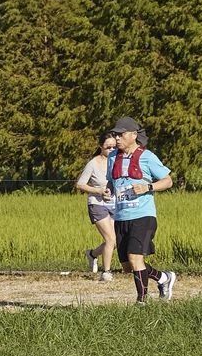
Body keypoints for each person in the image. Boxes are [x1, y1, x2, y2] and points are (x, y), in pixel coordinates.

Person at [105, 116, 177, 304]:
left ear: (133, 135)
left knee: (135, 258)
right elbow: (111, 182)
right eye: (115, 135)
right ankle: (164, 278)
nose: (116, 138)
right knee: (128, 266)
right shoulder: (113, 157)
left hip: (143, 216)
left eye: (120, 135)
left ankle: (142, 302)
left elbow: (168, 181)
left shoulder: (147, 156)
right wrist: (108, 191)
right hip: (121, 217)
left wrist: (148, 187)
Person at [76, 131, 118, 282]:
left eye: (114, 147)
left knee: (115, 241)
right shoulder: (93, 164)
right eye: (108, 147)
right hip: (97, 204)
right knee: (110, 238)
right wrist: (98, 191)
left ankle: (92, 254)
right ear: (101, 147)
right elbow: (80, 184)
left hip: (114, 203)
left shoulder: (118, 162)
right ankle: (106, 272)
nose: (111, 150)